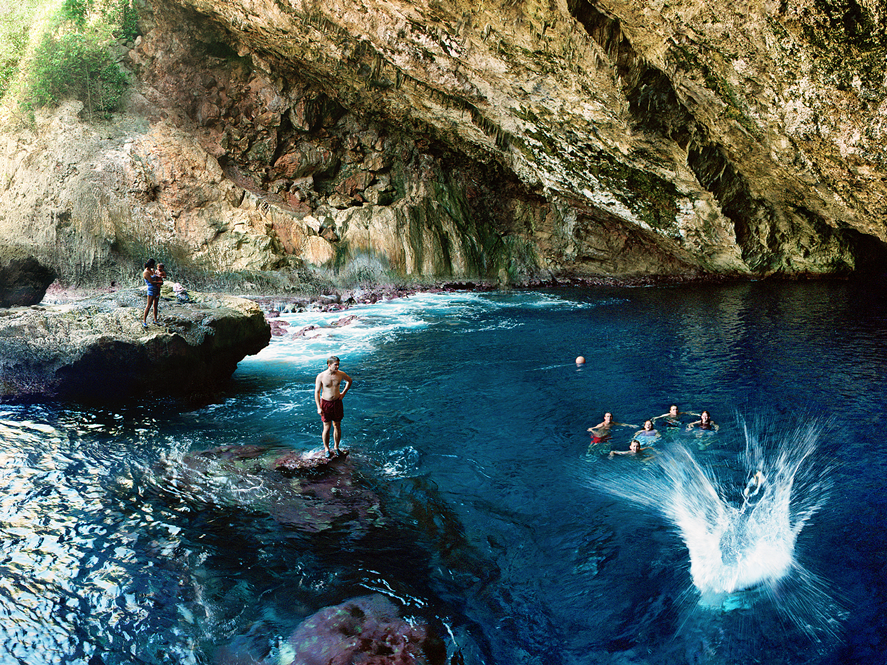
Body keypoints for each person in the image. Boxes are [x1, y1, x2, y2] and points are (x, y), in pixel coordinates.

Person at [314, 355, 353, 457]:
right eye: (335, 365)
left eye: (338, 365)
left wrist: (343, 394)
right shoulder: (321, 376)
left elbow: (349, 381)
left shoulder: (340, 374)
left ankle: (336, 447)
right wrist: (318, 407)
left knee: (337, 425)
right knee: (327, 427)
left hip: (337, 402)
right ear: (329, 365)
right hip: (326, 403)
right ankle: (327, 449)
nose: (337, 367)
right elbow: (317, 392)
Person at [141, 258, 162, 328]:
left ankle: (155, 320)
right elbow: (151, 282)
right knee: (149, 305)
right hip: (151, 289)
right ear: (151, 264)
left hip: (156, 289)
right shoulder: (146, 272)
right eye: (153, 264)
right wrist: (159, 282)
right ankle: (144, 321)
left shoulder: (152, 270)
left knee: (155, 305)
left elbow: (156, 278)